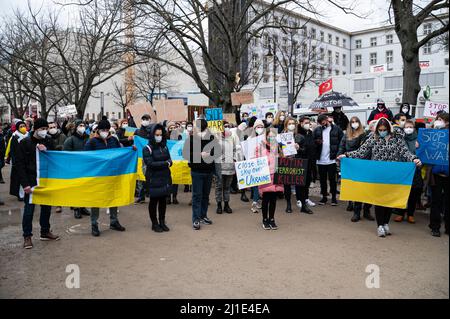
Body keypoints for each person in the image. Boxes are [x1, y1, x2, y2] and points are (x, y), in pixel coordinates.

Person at [338, 118, 421, 237]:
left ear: (389, 128)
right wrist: (346, 155)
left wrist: (414, 159)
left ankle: (386, 223)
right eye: (380, 129)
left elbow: (405, 152)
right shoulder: (373, 137)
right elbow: (361, 152)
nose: (382, 131)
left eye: (384, 129)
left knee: (389, 200)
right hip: (377, 174)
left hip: (392, 174)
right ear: (377, 129)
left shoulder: (397, 138)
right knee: (379, 200)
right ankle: (380, 226)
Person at [15, 118, 60, 249]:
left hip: (45, 181)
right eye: (42, 129)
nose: (45, 131)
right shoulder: (24, 143)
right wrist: (25, 184)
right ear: (35, 129)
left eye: (46, 129)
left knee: (46, 208)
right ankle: (27, 236)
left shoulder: (48, 140)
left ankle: (45, 231)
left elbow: (55, 156)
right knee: (29, 211)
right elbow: (19, 165)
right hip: (31, 182)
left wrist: (47, 149)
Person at [84, 119, 126, 237]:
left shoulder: (113, 140)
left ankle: (114, 221)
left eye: (107, 130)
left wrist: (130, 150)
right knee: (96, 200)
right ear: (98, 130)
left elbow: (120, 154)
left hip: (112, 174)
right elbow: (87, 159)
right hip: (97, 176)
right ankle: (94, 224)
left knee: (113, 197)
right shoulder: (91, 142)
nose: (105, 132)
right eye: (103, 130)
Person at [183, 115, 220, 230]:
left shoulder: (212, 139)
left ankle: (203, 216)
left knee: (205, 196)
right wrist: (198, 155)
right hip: (197, 171)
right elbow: (186, 154)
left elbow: (217, 152)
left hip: (208, 171)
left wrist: (210, 154)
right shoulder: (191, 139)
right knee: (197, 196)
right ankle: (196, 219)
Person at [337, 116, 374, 222]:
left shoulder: (364, 135)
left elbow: (364, 150)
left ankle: (367, 210)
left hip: (363, 164)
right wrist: (339, 156)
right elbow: (341, 147)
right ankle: (356, 212)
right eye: (352, 122)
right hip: (350, 163)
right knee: (356, 188)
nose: (354, 123)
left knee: (366, 189)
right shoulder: (346, 135)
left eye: (356, 121)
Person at [143, 123, 172, 233]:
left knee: (163, 201)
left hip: (164, 177)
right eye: (156, 134)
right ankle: (154, 223)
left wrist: (166, 163)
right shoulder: (147, 148)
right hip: (153, 179)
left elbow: (170, 160)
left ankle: (162, 222)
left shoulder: (164, 146)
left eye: (160, 134)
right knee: (154, 201)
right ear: (152, 135)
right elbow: (150, 164)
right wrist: (165, 163)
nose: (159, 136)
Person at [394, 119, 423, 224]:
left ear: (414, 128)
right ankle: (400, 213)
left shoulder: (419, 139)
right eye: (406, 127)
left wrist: (419, 147)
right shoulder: (399, 138)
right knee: (402, 192)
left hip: (415, 169)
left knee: (414, 193)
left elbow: (424, 154)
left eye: (411, 127)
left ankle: (410, 214)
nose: (408, 129)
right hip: (402, 169)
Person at [424, 113, 449, 237]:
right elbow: (425, 150)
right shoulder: (432, 134)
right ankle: (435, 227)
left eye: (441, 120)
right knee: (436, 201)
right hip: (436, 174)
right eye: (438, 119)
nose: (438, 121)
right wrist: (420, 146)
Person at [255, 128, 284, 230]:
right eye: (269, 136)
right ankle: (264, 219)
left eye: (273, 136)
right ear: (266, 135)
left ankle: (272, 219)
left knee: (273, 199)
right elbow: (256, 160)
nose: (271, 138)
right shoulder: (260, 146)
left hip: (275, 175)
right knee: (266, 198)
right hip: (265, 176)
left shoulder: (278, 146)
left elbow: (283, 159)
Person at [313, 114, 343, 206]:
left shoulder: (336, 129)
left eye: (324, 122)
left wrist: (338, 154)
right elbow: (313, 142)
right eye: (321, 123)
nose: (323, 125)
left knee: (332, 179)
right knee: (322, 180)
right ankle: (324, 197)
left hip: (332, 159)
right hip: (320, 159)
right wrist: (317, 142)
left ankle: (333, 198)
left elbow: (342, 142)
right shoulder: (317, 130)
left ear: (327, 120)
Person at [63, 120, 91, 219]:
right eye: (80, 125)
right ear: (75, 127)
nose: (82, 127)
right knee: (76, 189)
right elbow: (66, 155)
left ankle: (82, 207)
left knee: (84, 189)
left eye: (84, 125)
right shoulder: (70, 140)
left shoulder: (88, 138)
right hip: (75, 169)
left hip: (86, 168)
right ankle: (76, 208)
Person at [215, 121, 240, 214]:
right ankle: (218, 205)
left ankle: (226, 204)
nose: (226, 128)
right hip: (219, 167)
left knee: (227, 186)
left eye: (227, 126)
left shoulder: (232, 138)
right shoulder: (216, 138)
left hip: (230, 167)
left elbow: (236, 150)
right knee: (219, 186)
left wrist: (233, 158)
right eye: (224, 126)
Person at [296, 116, 317, 211]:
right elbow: (299, 149)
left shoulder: (310, 133)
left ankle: (306, 198)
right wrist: (300, 149)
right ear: (301, 123)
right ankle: (299, 199)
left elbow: (312, 146)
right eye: (306, 122)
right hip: (301, 161)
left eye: (309, 122)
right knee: (300, 182)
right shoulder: (298, 134)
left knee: (307, 180)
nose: (308, 124)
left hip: (310, 160)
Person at [5, 121, 29, 201]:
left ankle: (26, 193)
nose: (23, 127)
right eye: (21, 126)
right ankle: (20, 194)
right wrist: (14, 161)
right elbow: (12, 150)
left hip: (27, 160)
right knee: (19, 178)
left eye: (24, 126)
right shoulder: (14, 137)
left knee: (26, 178)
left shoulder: (28, 135)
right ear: (18, 128)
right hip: (18, 161)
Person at [134, 114, 152, 204]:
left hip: (150, 157)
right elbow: (133, 142)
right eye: (143, 119)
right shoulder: (137, 132)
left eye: (147, 119)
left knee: (150, 177)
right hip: (140, 157)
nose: (145, 121)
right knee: (141, 177)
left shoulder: (152, 131)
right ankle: (141, 196)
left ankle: (151, 194)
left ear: (150, 120)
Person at [249, 119, 266, 213]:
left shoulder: (265, 138)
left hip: (263, 164)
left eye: (261, 127)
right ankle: (255, 202)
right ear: (254, 128)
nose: (259, 128)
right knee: (256, 185)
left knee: (262, 184)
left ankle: (258, 201)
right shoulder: (250, 139)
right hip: (254, 164)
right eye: (258, 127)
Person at [281, 117, 297, 213]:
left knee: (298, 182)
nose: (292, 125)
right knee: (287, 184)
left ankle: (301, 201)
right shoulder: (281, 135)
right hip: (286, 161)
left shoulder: (298, 134)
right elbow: (276, 148)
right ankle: (288, 203)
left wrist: (299, 147)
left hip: (297, 161)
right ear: (286, 125)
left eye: (293, 123)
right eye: (289, 123)